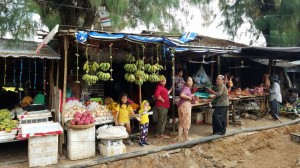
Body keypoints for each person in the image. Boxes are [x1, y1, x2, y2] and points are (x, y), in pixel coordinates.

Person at [177, 76, 194, 141]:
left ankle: (179, 138)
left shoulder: (185, 87)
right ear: (186, 82)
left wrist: (190, 95)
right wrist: (189, 98)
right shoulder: (186, 88)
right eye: (189, 81)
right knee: (186, 122)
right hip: (185, 107)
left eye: (191, 81)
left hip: (181, 106)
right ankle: (186, 138)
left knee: (181, 122)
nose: (190, 82)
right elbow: (181, 95)